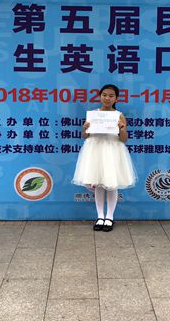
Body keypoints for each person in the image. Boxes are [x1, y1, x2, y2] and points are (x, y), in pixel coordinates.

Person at [72, 84, 137, 232]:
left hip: (112, 150)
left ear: (116, 99)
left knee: (112, 184)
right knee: (98, 184)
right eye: (104, 95)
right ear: (100, 96)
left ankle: (110, 217)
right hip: (95, 150)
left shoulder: (119, 115)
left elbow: (124, 139)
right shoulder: (93, 114)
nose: (107, 98)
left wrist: (122, 129)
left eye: (111, 96)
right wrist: (84, 128)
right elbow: (85, 136)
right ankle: (100, 216)